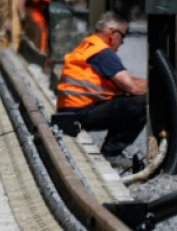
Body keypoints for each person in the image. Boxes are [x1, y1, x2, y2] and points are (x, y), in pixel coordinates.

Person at [56, 11, 147, 162]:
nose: (122, 42)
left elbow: (120, 82)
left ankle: (112, 152)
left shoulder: (88, 45)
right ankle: (112, 153)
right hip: (80, 114)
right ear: (112, 33)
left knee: (130, 98)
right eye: (122, 36)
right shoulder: (103, 52)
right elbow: (131, 87)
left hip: (67, 113)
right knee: (141, 102)